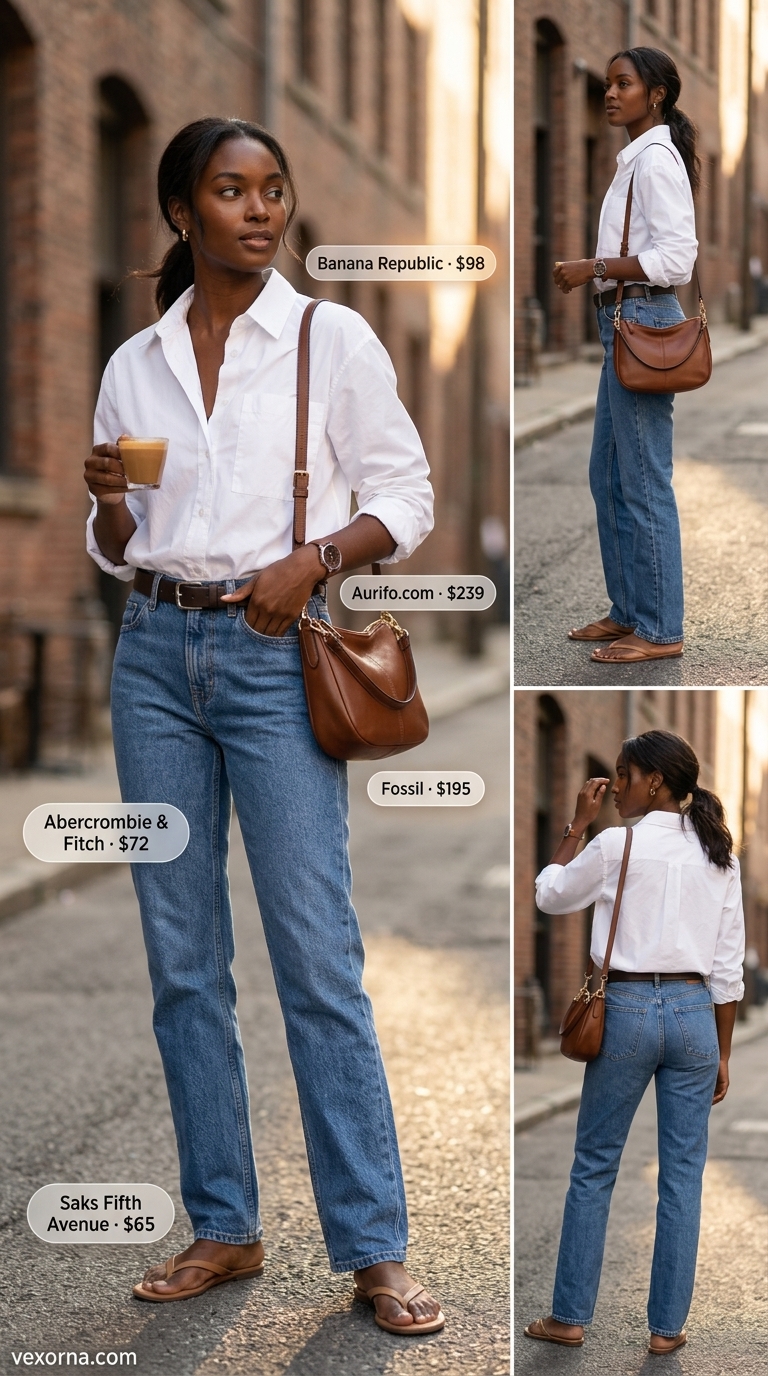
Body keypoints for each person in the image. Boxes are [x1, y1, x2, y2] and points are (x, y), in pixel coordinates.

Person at [83, 116, 445, 1336]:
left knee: (315, 953)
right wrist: (113, 518)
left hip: (272, 654)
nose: (259, 209)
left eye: (272, 189)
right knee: (184, 964)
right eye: (231, 191)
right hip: (150, 654)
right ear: (182, 211)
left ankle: (376, 1243)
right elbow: (119, 537)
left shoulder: (328, 338)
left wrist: (315, 556)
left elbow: (408, 493)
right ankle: (225, 1224)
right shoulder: (134, 361)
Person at [524, 729, 744, 1355]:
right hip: (695, 1016)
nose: (615, 784)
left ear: (655, 781)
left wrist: (575, 826)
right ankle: (667, 1330)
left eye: (623, 773)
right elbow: (727, 970)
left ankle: (570, 1318)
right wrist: (722, 1052)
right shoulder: (720, 857)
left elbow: (548, 895)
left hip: (624, 1012)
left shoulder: (614, 844)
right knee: (683, 1178)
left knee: (594, 1167)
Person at [553, 48, 699, 664]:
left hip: (642, 320)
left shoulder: (656, 161)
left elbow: (678, 257)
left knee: (642, 481)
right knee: (607, 474)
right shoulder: (635, 160)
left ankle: (661, 629)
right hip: (623, 321)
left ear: (656, 95)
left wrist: (596, 267)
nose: (610, 93)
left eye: (623, 84)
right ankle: (629, 612)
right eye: (609, 84)